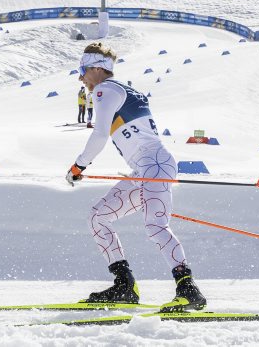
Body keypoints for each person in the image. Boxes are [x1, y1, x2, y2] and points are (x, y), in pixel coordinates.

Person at [65, 42, 205, 312]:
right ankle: (124, 285)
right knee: (98, 217)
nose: (81, 78)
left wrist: (78, 167)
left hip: (154, 166)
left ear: (97, 68)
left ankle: (188, 288)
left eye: (82, 70)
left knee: (155, 225)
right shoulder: (121, 90)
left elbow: (99, 134)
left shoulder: (105, 89)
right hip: (145, 170)